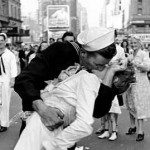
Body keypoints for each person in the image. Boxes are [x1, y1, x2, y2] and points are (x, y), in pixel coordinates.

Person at [14, 27, 125, 150]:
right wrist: (42, 109)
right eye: (98, 65)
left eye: (104, 65)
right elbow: (23, 80)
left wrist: (110, 76)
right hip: (39, 124)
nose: (100, 69)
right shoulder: (61, 51)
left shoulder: (95, 73)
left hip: (65, 135)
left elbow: (98, 111)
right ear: (83, 53)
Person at [125, 35, 150, 141]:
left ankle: (141, 131)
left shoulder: (144, 53)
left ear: (140, 43)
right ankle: (132, 126)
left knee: (139, 106)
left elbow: (148, 67)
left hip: (141, 84)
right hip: (130, 83)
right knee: (131, 104)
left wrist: (135, 63)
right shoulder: (130, 53)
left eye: (135, 43)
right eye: (132, 43)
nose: (133, 44)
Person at [0, 33, 18, 132]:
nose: (0, 42)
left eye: (2, 40)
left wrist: (13, 79)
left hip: (6, 81)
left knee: (5, 103)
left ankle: (4, 124)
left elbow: (13, 68)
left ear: (5, 41)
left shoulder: (9, 54)